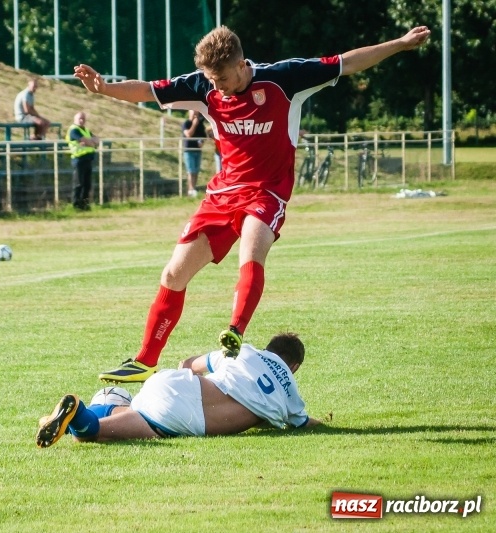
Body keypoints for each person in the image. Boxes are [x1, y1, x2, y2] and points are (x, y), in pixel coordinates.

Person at [74, 25, 431, 383]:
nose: (217, 87)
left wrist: (399, 44)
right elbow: (148, 90)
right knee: (173, 274)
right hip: (221, 195)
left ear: (241, 65)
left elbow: (346, 63)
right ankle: (145, 361)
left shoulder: (285, 79)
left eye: (222, 79)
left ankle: (235, 331)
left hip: (266, 192)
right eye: (211, 80)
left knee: (251, 251)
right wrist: (104, 88)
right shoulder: (203, 86)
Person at [36, 332, 323, 447]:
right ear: (294, 366)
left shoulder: (245, 351)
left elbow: (188, 364)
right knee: (93, 435)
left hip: (174, 382)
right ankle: (80, 416)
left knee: (131, 416)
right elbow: (303, 423)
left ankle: (75, 415)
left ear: (268, 348)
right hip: (186, 412)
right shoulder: (289, 392)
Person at [66, 111, 100, 210]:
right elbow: (88, 141)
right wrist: (91, 142)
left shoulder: (86, 130)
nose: (81, 120)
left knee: (87, 184)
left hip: (88, 159)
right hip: (79, 159)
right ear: (75, 119)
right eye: (79, 118)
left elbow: (97, 140)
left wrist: (91, 142)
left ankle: (85, 204)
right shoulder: (74, 130)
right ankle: (77, 205)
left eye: (83, 119)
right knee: (79, 183)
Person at [182, 109, 207, 197]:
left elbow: (203, 136)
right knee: (191, 171)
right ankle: (190, 189)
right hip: (189, 150)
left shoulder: (201, 125)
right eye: (193, 111)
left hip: (198, 150)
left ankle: (194, 188)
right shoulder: (186, 123)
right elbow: (188, 135)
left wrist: (202, 142)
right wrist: (194, 124)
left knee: (196, 171)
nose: (194, 114)